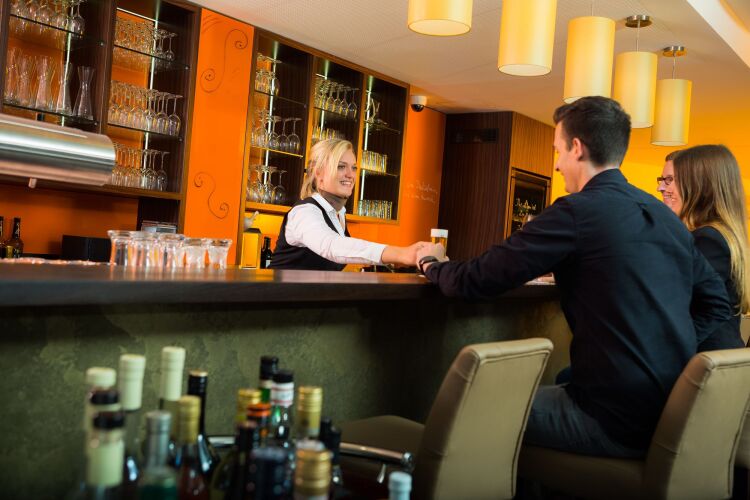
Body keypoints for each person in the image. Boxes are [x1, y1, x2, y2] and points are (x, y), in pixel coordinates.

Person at [415, 96, 732, 458]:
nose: (557, 164)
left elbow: (477, 279)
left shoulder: (576, 211)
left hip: (613, 420)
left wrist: (430, 263)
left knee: (474, 404)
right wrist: (670, 346)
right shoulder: (663, 216)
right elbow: (716, 303)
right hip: (667, 413)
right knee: (559, 382)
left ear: (577, 148)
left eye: (558, 150)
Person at [271, 138, 423, 270]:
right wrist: (401, 254)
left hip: (309, 295)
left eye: (354, 168)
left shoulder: (338, 214)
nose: (350, 175)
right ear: (318, 173)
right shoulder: (304, 212)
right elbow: (332, 246)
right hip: (279, 294)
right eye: (341, 166)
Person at [657, 145, 749, 350]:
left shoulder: (708, 239)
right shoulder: (716, 235)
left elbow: (681, 307)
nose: (661, 188)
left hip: (703, 360)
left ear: (700, 185)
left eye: (671, 180)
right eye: (662, 180)